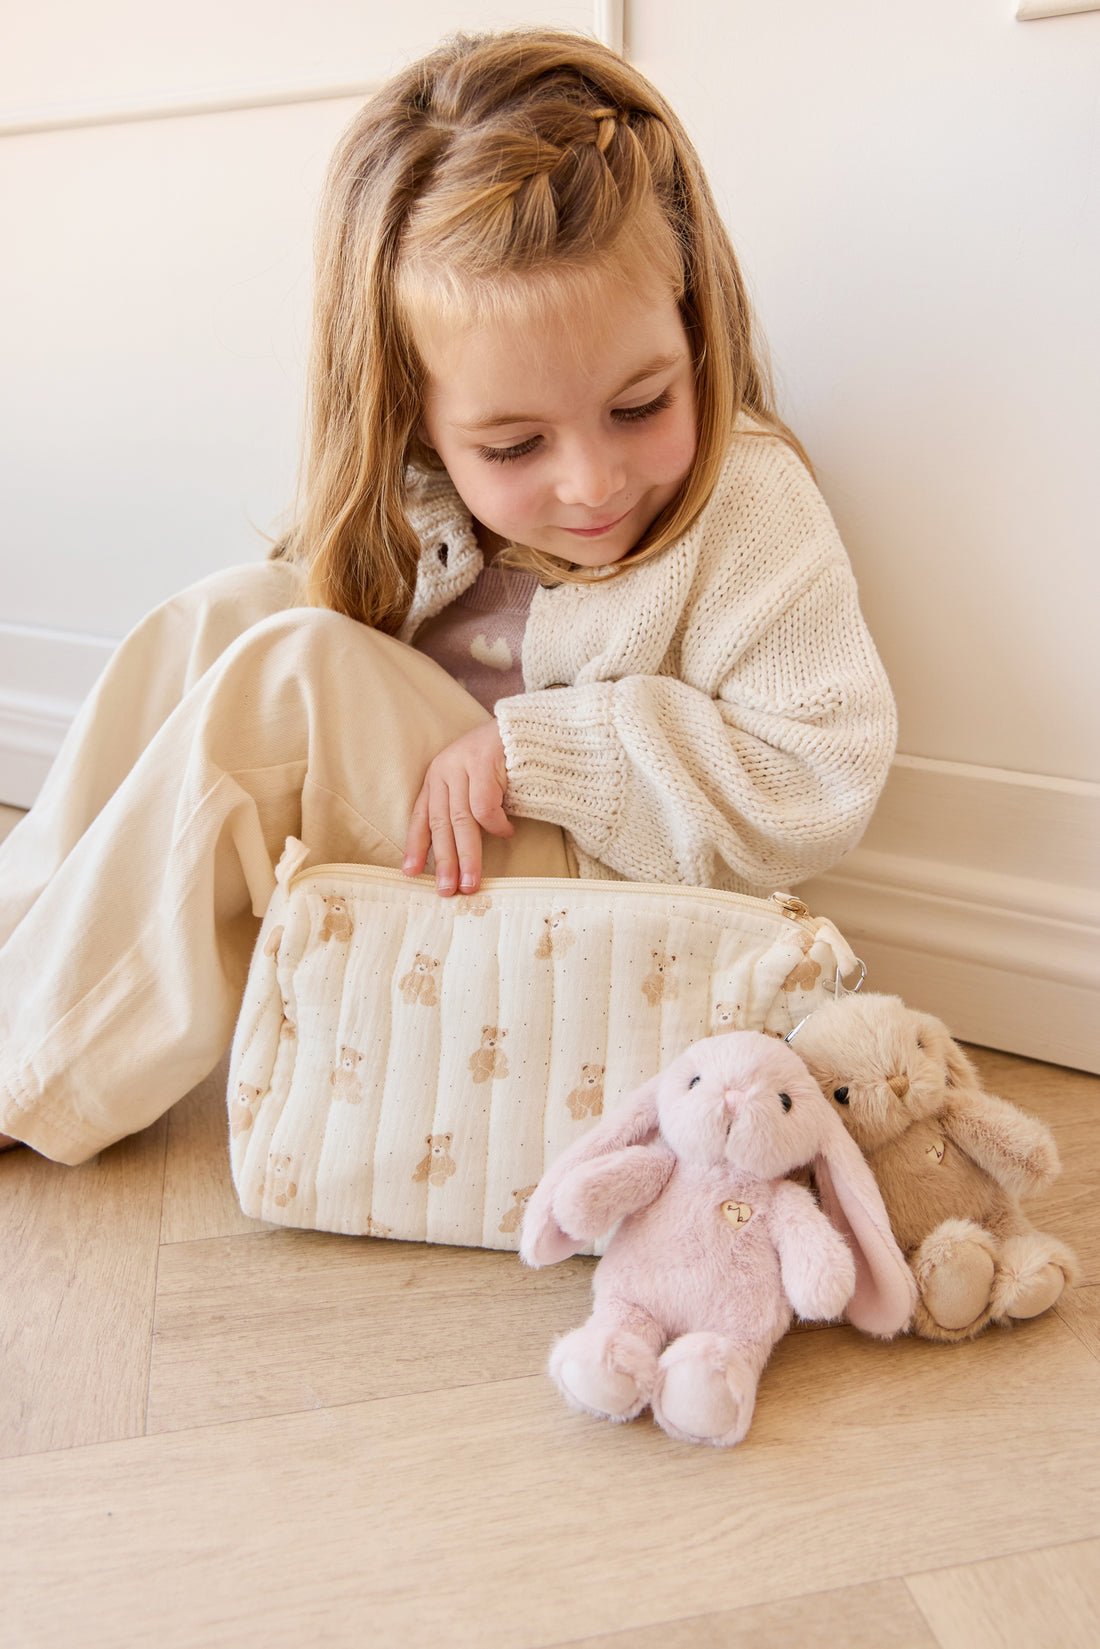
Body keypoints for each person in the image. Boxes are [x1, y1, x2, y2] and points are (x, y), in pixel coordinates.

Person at [0, 28, 895, 1165]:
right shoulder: (424, 488)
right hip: (459, 858)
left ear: (693, 330)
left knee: (289, 683)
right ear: (417, 415)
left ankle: (28, 1072)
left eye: (639, 406)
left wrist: (538, 752)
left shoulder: (747, 498)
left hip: (602, 899)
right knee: (225, 614)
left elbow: (823, 767)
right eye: (513, 445)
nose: (591, 481)